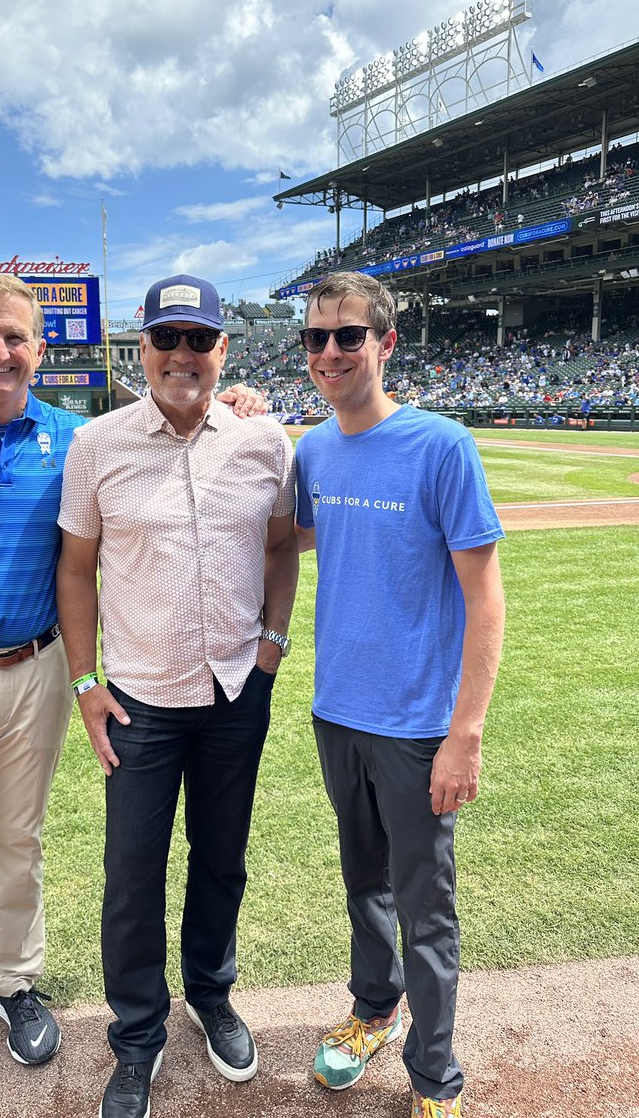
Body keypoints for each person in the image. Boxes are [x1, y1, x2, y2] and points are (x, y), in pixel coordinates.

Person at [0, 273, 265, 1118]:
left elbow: (248, 514)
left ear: (42, 350)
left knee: (22, 844)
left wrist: (247, 408)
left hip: (39, 669)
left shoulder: (73, 439)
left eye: (17, 338)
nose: (2, 352)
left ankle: (18, 988)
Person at [56, 274, 299, 1118]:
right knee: (131, 875)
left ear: (223, 349)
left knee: (221, 859)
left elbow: (280, 551)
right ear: (142, 348)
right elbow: (73, 572)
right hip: (140, 700)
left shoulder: (264, 441)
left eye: (201, 339)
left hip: (236, 688)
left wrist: (273, 645)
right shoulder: (99, 445)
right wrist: (85, 683)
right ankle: (136, 1036)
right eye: (168, 338)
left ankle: (210, 993)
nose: (184, 355)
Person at [293, 273, 505, 1118]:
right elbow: (305, 537)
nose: (331, 352)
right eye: (316, 339)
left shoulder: (442, 446)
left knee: (427, 908)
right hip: (337, 710)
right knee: (364, 885)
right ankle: (373, 1010)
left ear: (385, 343)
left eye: (348, 336)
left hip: (418, 726)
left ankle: (435, 1078)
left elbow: (485, 595)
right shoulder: (312, 451)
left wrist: (467, 732)